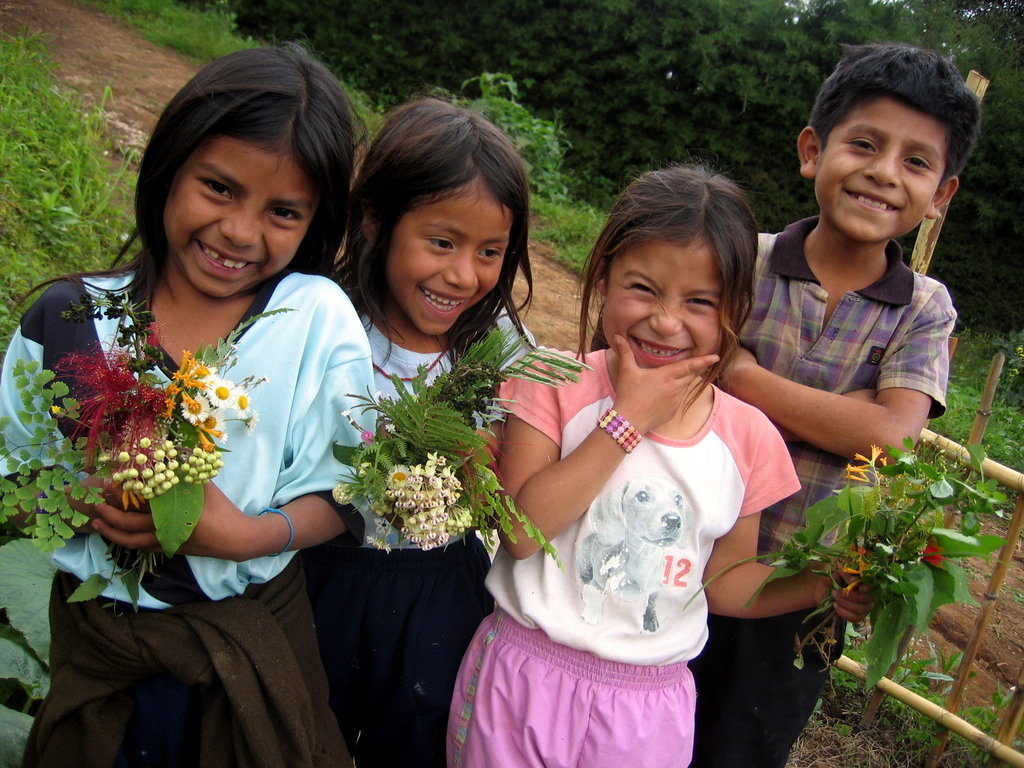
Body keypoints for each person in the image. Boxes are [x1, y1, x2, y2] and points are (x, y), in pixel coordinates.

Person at [3, 44, 374, 767]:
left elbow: (349, 488)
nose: (240, 231)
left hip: (251, 658)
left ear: (315, 221)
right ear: (169, 167)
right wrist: (79, 495)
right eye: (219, 188)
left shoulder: (313, 317)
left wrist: (247, 536)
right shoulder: (68, 320)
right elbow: (11, 479)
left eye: (283, 211)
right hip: (100, 658)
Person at [445, 164, 871, 768]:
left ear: (736, 309)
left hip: (647, 708)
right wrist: (627, 421)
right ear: (603, 276)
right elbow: (519, 532)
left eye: (700, 302)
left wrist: (826, 583)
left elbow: (726, 585)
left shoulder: (747, 438)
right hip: (525, 675)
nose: (666, 321)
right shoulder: (552, 383)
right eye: (642, 289)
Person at [688, 42, 983, 768]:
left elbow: (891, 436)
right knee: (638, 729)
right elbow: (685, 371)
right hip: (682, 550)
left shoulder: (924, 308)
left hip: (802, 594)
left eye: (916, 161)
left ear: (940, 195)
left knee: (743, 749)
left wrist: (744, 375)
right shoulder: (742, 258)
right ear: (813, 151)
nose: (884, 172)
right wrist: (843, 414)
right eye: (865, 144)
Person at [301, 97, 534, 768]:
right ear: (375, 219)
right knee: (303, 732)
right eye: (442, 242)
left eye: (490, 252)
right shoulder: (328, 321)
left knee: (421, 741)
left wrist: (477, 460)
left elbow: (507, 475)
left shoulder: (497, 343)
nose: (464, 275)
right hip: (319, 573)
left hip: (442, 584)